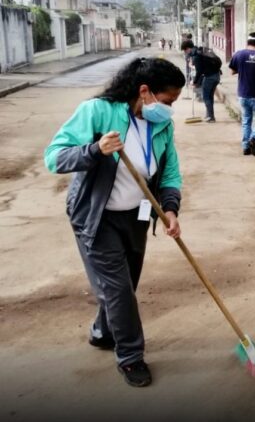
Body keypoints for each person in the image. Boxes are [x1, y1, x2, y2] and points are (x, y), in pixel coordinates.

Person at [43, 57, 186, 387]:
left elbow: (170, 171)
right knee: (119, 290)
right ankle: (131, 357)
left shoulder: (161, 125)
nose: (169, 110)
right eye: (167, 101)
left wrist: (171, 208)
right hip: (96, 218)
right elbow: (54, 156)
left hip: (136, 217)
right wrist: (95, 150)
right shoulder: (98, 111)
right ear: (145, 91)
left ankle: (102, 332)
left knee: (124, 285)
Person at [181, 40, 222, 122]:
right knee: (210, 96)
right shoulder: (201, 51)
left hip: (209, 77)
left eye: (185, 50)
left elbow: (199, 71)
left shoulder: (197, 56)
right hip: (216, 75)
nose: (185, 52)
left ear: (188, 48)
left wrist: (195, 82)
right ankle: (210, 115)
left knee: (206, 96)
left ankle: (211, 117)